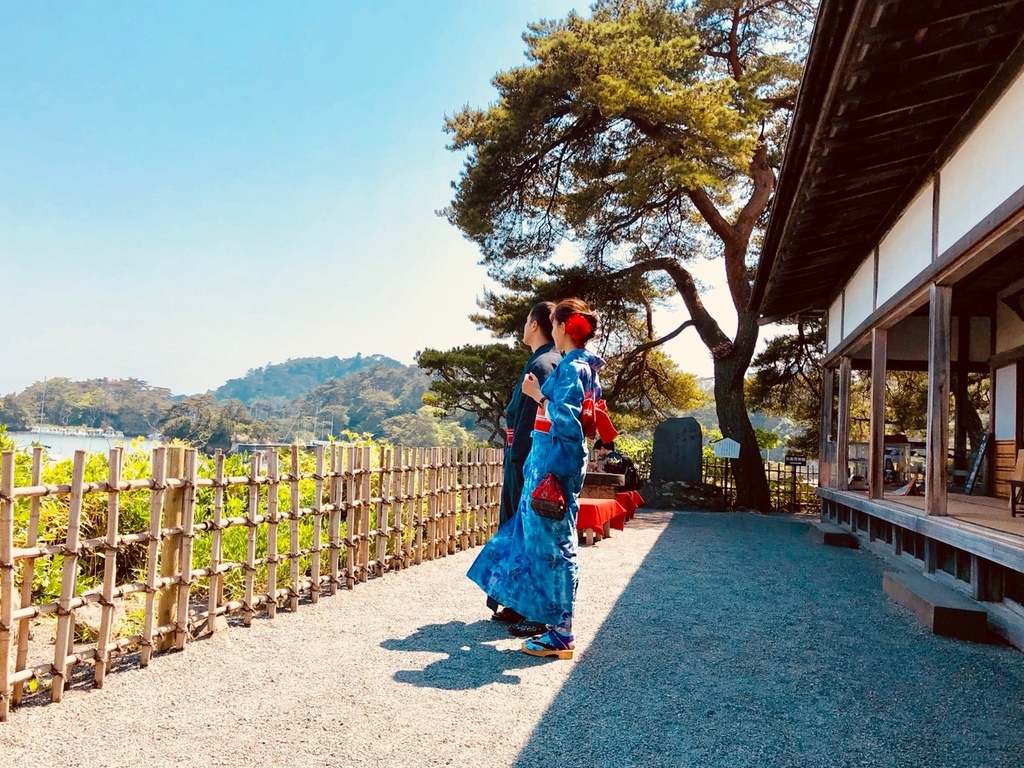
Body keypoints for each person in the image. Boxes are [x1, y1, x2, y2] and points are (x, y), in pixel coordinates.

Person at [467, 298, 607, 660]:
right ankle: (552, 623)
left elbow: (568, 423)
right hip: (556, 463)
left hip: (553, 465)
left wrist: (538, 397)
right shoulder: (586, 367)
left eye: (555, 324)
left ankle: (560, 632)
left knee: (554, 549)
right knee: (550, 546)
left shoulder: (572, 367)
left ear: (562, 328)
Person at [488, 302, 562, 626]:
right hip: (527, 456)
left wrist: (521, 459)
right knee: (522, 532)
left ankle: (528, 607)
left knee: (523, 531)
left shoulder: (543, 364)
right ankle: (518, 604)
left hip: (526, 458)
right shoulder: (550, 360)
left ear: (534, 325)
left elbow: (532, 419)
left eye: (526, 321)